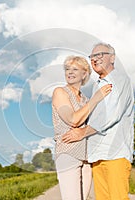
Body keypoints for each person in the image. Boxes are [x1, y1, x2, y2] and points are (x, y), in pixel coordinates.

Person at [62, 43, 134, 200]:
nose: (95, 59)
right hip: (98, 155)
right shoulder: (97, 86)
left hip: (115, 154)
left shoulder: (119, 80)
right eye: (92, 56)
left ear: (112, 58)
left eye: (100, 55)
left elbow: (112, 114)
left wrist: (82, 132)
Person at [52, 55, 112, 200]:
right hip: (68, 153)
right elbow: (73, 120)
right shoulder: (60, 92)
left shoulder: (85, 99)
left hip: (86, 157)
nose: (70, 72)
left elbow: (97, 125)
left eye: (75, 69)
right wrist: (96, 98)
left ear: (84, 74)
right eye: (67, 69)